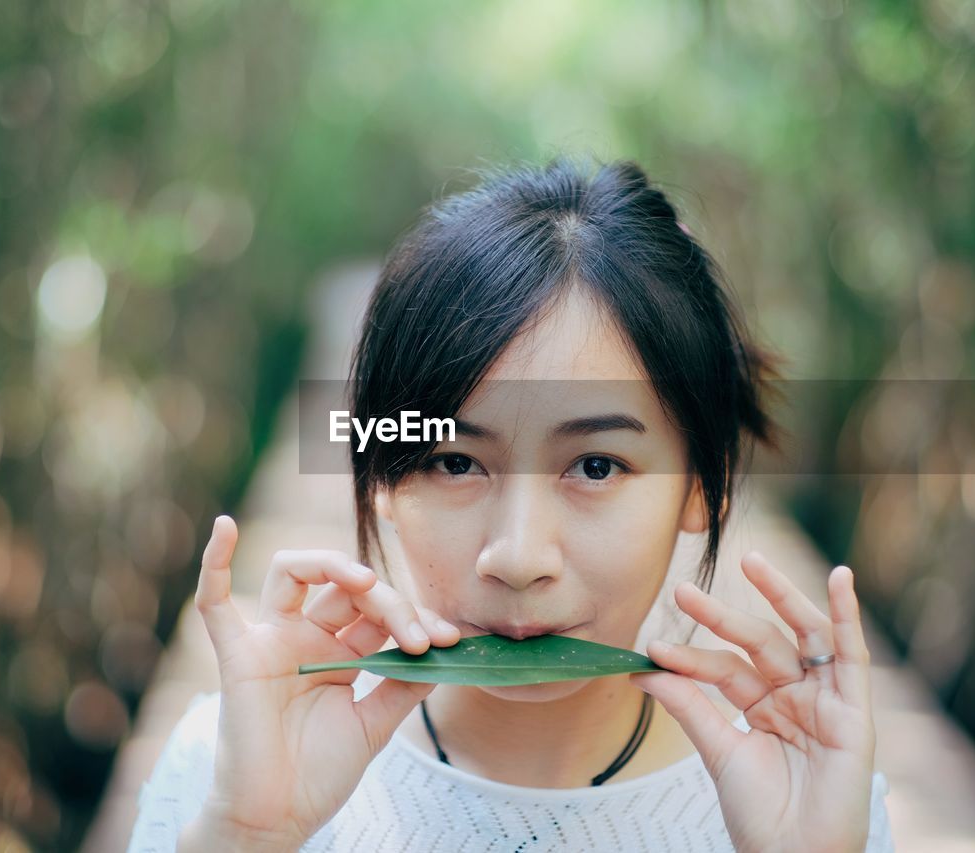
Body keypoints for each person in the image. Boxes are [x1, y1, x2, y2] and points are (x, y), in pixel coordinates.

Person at [127, 157, 895, 852]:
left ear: (702, 486)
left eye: (596, 465)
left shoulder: (807, 803)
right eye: (454, 460)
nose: (519, 555)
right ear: (383, 479)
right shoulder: (230, 765)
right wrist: (248, 835)